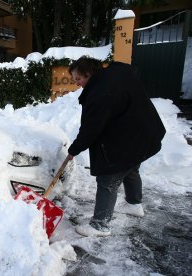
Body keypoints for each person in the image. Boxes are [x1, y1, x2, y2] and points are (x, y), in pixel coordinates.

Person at [67, 56, 166, 237]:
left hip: (129, 137)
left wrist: (74, 149)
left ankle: (100, 225)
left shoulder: (99, 94)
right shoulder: (116, 72)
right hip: (143, 133)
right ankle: (134, 205)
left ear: (89, 73)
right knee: (130, 167)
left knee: (108, 180)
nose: (77, 84)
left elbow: (91, 129)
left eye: (79, 79)